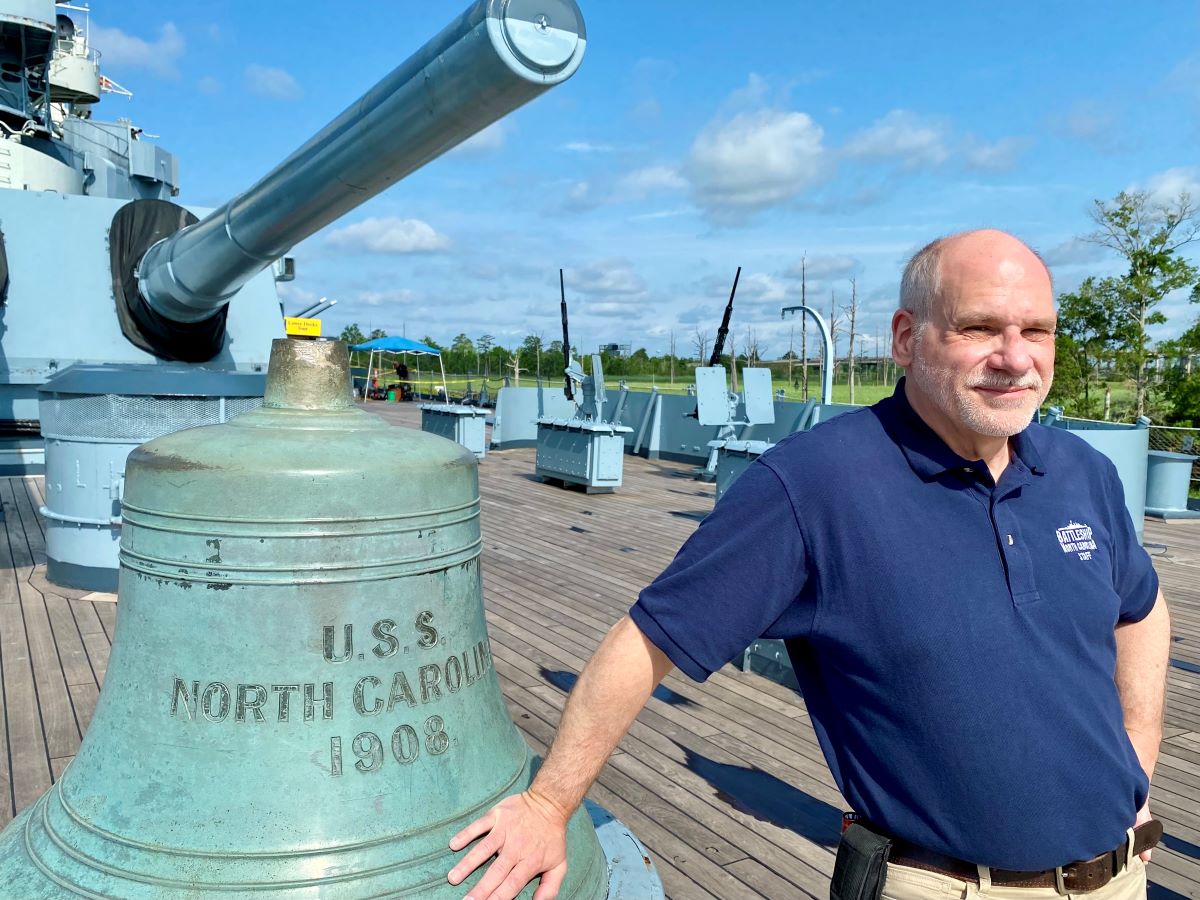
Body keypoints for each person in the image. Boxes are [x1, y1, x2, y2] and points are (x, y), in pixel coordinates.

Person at [446, 230, 1170, 900]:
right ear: (907, 338)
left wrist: (1138, 752)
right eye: (979, 327)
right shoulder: (816, 484)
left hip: (1118, 874)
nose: (1015, 357)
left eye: (1035, 330)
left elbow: (1140, 605)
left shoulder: (1082, 472)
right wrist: (548, 804)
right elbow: (647, 641)